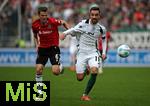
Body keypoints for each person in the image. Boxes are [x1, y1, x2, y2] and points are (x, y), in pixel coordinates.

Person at [60, 5, 107, 101]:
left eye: (96, 15)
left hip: (94, 52)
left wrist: (104, 52)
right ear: (90, 15)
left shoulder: (102, 29)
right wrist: (65, 34)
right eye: (92, 15)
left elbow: (104, 40)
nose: (94, 16)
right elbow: (73, 29)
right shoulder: (82, 24)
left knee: (95, 71)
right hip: (81, 53)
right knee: (79, 78)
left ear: (99, 16)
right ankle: (86, 71)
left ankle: (85, 95)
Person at [32, 6, 69, 100]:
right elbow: (35, 35)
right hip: (42, 49)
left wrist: (68, 31)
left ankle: (60, 67)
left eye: (45, 15)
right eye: (42, 15)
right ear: (39, 15)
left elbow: (63, 22)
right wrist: (37, 45)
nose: (44, 17)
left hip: (53, 48)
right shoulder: (35, 25)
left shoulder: (52, 21)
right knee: (38, 69)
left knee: (55, 72)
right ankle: (40, 93)